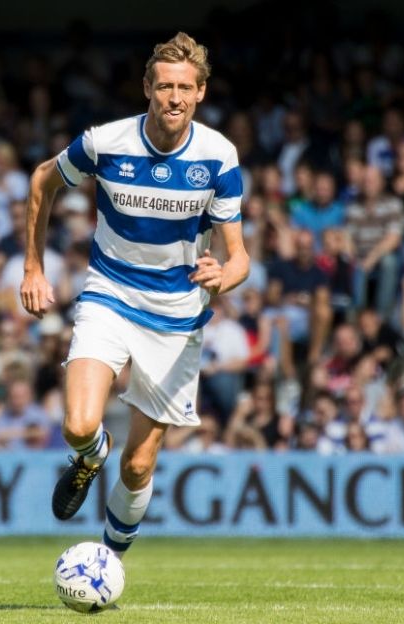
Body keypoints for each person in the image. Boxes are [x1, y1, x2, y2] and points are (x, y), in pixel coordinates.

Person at [20, 32, 248, 557]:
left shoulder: (218, 156)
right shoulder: (106, 142)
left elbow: (239, 257)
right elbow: (41, 181)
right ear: (147, 88)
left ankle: (108, 560)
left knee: (139, 465)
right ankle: (91, 451)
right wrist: (33, 268)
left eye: (185, 88)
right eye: (164, 86)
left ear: (201, 93)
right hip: (109, 294)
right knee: (79, 425)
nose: (174, 97)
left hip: (176, 314)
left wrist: (224, 276)